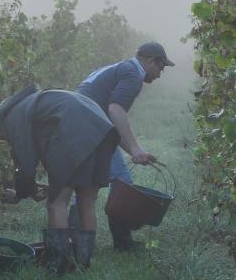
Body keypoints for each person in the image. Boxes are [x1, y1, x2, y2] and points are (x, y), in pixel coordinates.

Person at [0, 84, 149, 272]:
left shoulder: (13, 117)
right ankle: (83, 264)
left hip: (75, 132)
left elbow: (25, 163)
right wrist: (33, 188)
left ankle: (57, 267)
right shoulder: (29, 103)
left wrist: (20, 194)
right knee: (86, 203)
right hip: (101, 130)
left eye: (3, 138)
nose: (8, 141)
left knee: (56, 204)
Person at [72, 41, 171, 251]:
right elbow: (115, 110)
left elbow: (110, 123)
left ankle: (74, 243)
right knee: (122, 184)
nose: (160, 74)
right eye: (161, 67)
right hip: (90, 126)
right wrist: (135, 149)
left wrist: (135, 151)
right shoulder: (133, 75)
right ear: (151, 61)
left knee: (81, 187)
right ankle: (122, 244)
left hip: (79, 124)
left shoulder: (120, 68)